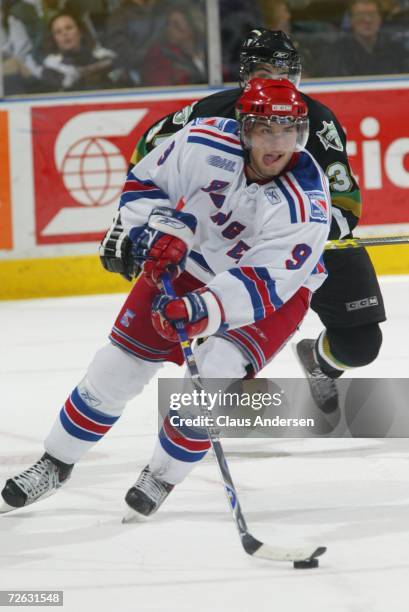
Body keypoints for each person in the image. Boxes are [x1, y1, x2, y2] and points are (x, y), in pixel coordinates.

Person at [0, 78, 331, 516]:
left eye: (288, 130)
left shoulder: (305, 200)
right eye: (267, 130)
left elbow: (268, 281)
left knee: (214, 374)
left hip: (272, 293)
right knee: (115, 368)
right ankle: (54, 464)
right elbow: (146, 183)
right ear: (245, 129)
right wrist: (154, 231)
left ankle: (161, 476)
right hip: (194, 264)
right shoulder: (202, 140)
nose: (278, 143)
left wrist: (203, 310)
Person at [100, 28, 386, 414]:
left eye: (283, 72)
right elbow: (149, 153)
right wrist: (138, 218)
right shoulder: (212, 111)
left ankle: (319, 363)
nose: (274, 81)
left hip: (309, 241)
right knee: (225, 340)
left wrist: (307, 229)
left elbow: (346, 204)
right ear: (246, 76)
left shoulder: (317, 122)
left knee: (361, 345)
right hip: (228, 240)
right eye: (263, 71)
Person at [324, 0, 409, 76]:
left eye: (372, 14)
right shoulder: (336, 52)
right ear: (351, 20)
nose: (367, 20)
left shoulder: (396, 50)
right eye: (360, 15)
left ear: (380, 19)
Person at [41, 12, 119, 91]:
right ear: (54, 39)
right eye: (58, 32)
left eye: (69, 28)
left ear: (80, 31)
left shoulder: (104, 57)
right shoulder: (50, 69)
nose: (64, 33)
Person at [141, 6, 206, 86]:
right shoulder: (158, 55)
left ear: (192, 28)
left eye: (176, 25)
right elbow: (162, 89)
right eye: (168, 24)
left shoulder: (207, 52)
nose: (169, 29)